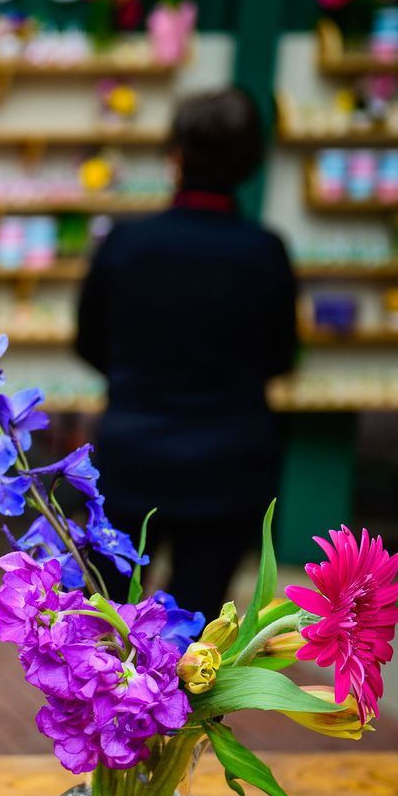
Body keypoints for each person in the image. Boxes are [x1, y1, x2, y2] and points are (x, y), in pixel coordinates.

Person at [74, 87, 298, 621]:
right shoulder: (265, 251)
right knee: (197, 639)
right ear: (249, 164)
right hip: (230, 464)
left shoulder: (125, 244)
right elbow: (281, 357)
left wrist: (140, 378)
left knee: (103, 628)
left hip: (134, 455)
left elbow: (88, 344)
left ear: (174, 156)